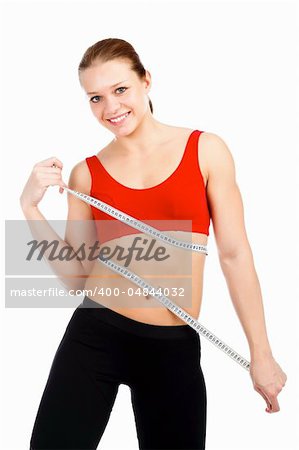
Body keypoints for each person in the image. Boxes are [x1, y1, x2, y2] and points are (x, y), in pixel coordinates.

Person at [20, 38, 287, 450]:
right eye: (96, 97)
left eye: (120, 89)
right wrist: (30, 208)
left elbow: (234, 255)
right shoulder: (85, 175)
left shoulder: (205, 151)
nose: (110, 108)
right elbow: (75, 279)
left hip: (172, 346)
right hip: (95, 334)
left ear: (146, 81)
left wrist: (262, 354)